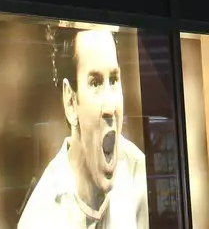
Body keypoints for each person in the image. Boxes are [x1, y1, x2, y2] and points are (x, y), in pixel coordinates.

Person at [18, 26, 148, 229]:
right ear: (70, 101)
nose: (110, 107)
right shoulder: (40, 218)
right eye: (95, 83)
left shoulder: (138, 173)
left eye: (114, 80)